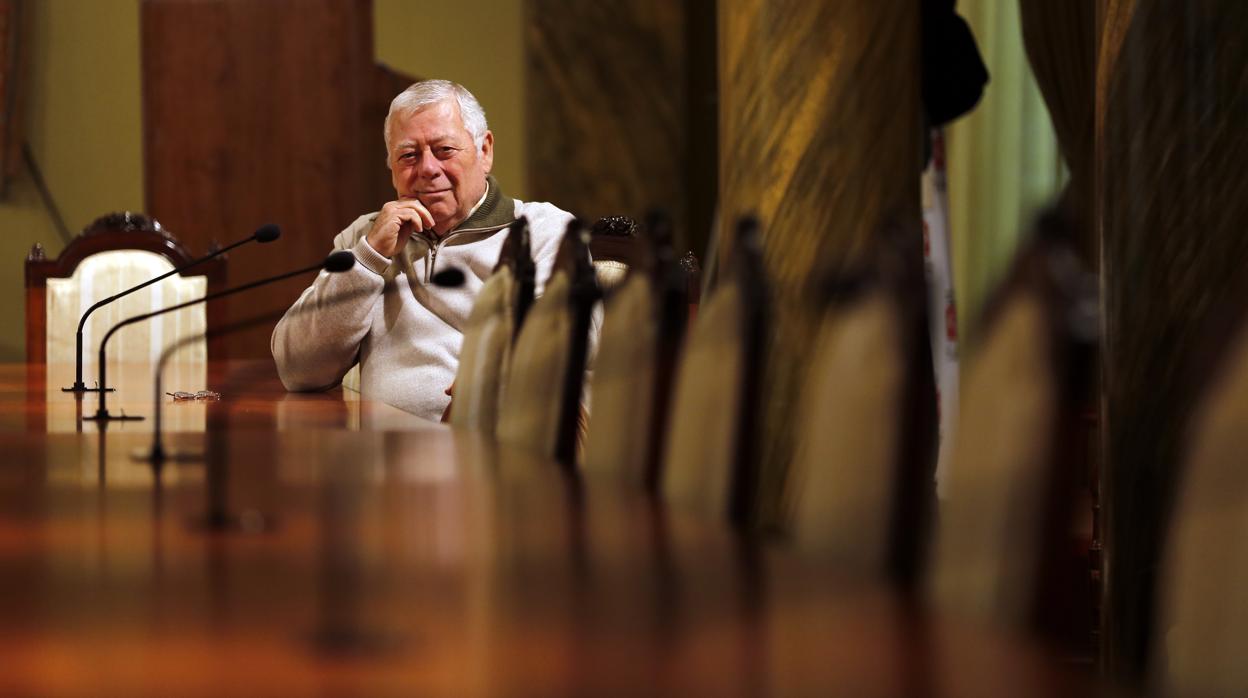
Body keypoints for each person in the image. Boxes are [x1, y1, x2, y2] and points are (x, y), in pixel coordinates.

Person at [271, 79, 574, 421]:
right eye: (409, 155)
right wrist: (370, 258)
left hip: (496, 447)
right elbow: (298, 370)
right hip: (385, 460)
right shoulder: (363, 238)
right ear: (392, 169)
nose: (428, 169)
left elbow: (565, 335)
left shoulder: (543, 229)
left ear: (484, 151)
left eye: (444, 150)